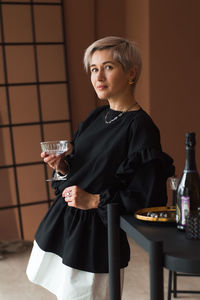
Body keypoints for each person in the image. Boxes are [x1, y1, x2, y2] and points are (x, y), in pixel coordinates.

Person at [26, 36, 175, 300]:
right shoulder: (97, 116)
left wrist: (95, 200)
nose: (99, 76)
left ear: (131, 73)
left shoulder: (140, 128)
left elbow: (148, 196)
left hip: (95, 239)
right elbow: (81, 169)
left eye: (108, 67)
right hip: (64, 224)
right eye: (94, 69)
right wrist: (61, 167)